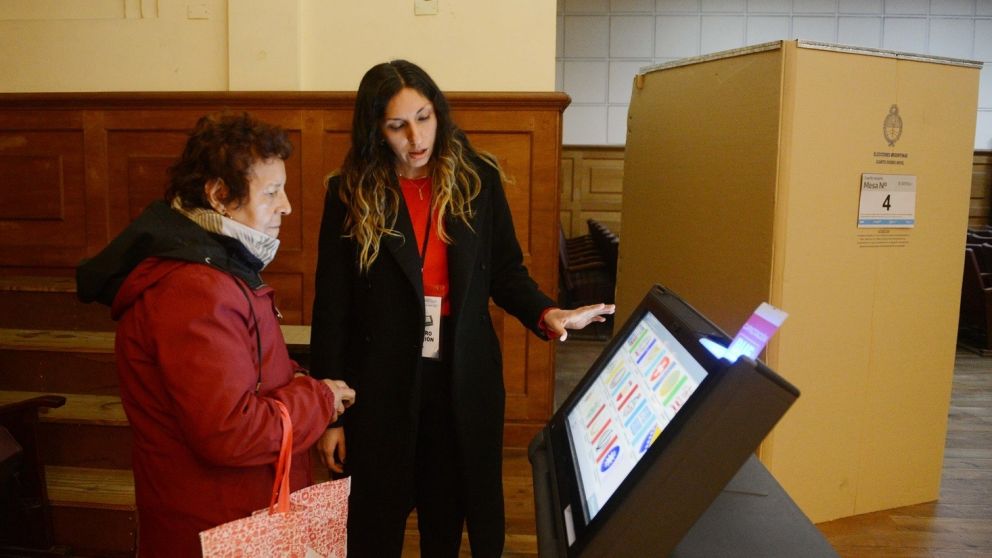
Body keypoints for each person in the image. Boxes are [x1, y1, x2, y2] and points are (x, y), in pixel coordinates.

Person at [310, 60, 614, 557]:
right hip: (380, 381)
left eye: (424, 117)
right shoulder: (348, 193)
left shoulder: (477, 180)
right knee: (373, 518)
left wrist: (546, 313)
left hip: (461, 373)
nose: (415, 136)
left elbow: (505, 272)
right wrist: (330, 414)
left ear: (439, 113)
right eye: (397, 125)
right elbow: (332, 306)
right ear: (374, 129)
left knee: (447, 512)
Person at [76, 111, 356, 558]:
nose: (286, 205)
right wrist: (318, 400)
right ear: (220, 195)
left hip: (224, 510)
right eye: (270, 192)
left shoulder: (212, 266)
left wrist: (298, 380)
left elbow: (244, 375)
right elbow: (229, 431)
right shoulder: (195, 289)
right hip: (215, 521)